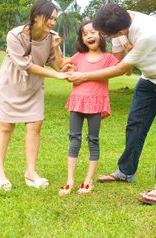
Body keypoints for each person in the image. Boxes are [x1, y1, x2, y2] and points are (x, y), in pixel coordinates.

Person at [67, 3, 156, 205]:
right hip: (150, 75)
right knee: (135, 122)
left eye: (108, 36)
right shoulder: (118, 21)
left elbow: (120, 70)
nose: (107, 39)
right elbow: (118, 62)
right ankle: (126, 171)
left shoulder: (147, 33)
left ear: (119, 31)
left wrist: (84, 76)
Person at [0, 0, 69, 191]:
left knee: (35, 126)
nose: (52, 22)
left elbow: (59, 65)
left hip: (34, 87)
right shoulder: (15, 35)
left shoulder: (51, 37)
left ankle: (30, 172)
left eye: (54, 19)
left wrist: (57, 47)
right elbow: (26, 65)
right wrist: (56, 75)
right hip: (12, 84)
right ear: (36, 16)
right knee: (5, 126)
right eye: (49, 18)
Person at [55, 21, 119, 196]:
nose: (89, 36)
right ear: (82, 39)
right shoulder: (78, 56)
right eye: (85, 34)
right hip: (77, 102)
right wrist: (56, 48)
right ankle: (70, 180)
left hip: (96, 103)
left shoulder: (108, 58)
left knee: (93, 140)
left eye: (93, 32)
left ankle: (88, 181)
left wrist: (127, 49)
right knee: (74, 139)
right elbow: (61, 66)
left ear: (101, 35)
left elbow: (124, 70)